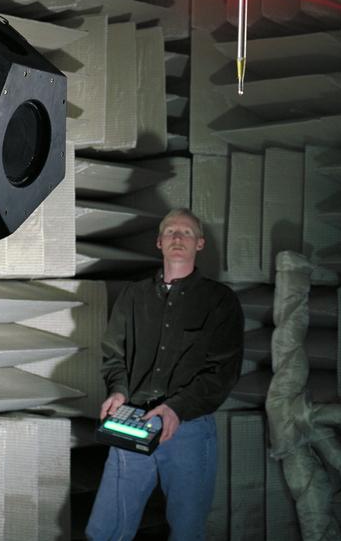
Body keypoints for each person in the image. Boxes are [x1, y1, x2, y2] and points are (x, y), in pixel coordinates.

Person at [85, 208, 245, 541]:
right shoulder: (133, 296)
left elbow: (222, 372)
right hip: (133, 420)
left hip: (188, 428)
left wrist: (177, 408)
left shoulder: (220, 301)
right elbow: (115, 354)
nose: (177, 237)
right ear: (158, 242)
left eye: (186, 233)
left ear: (199, 243)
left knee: (187, 531)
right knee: (106, 529)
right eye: (170, 231)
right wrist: (117, 391)